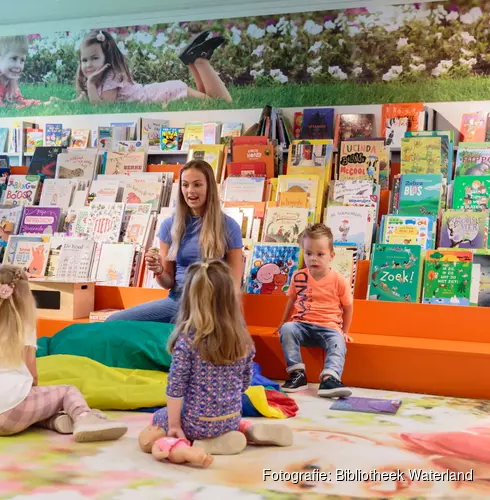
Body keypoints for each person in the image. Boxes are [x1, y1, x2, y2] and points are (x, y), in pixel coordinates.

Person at [138, 260, 293, 456]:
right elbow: (245, 383)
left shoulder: (188, 341)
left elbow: (175, 388)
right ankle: (243, 429)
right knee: (220, 413)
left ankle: (196, 445)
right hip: (231, 417)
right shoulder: (242, 339)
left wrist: (174, 425)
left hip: (197, 423)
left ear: (189, 300)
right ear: (231, 300)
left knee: (157, 418)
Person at [0, 264, 128, 442]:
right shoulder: (23, 328)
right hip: (13, 415)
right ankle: (85, 418)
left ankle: (56, 421)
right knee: (67, 391)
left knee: (31, 406)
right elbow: (33, 378)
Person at [106, 160, 244, 323]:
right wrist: (158, 270)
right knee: (114, 322)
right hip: (177, 302)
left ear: (210, 188)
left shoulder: (229, 226)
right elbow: (168, 282)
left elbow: (235, 284)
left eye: (197, 185)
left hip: (214, 305)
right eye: (185, 185)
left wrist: (222, 314)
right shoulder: (169, 226)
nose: (190, 191)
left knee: (199, 333)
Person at [276, 223, 354, 398]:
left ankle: (329, 378)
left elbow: (348, 307)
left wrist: (345, 331)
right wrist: (282, 322)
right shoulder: (299, 276)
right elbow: (292, 299)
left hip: (329, 327)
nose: (313, 259)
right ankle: (297, 374)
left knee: (338, 341)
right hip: (302, 325)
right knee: (288, 329)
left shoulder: (339, 280)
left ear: (331, 256)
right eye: (309, 253)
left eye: (320, 254)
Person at [77, 30, 232, 105]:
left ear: (107, 58)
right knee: (209, 101)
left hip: (163, 93)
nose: (88, 64)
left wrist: (90, 85)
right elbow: (85, 100)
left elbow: (102, 107)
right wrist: (61, 101)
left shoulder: (111, 76)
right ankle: (192, 59)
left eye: (94, 58)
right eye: (84, 60)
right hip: (159, 90)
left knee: (221, 103)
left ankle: (199, 59)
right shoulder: (99, 80)